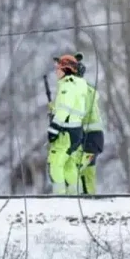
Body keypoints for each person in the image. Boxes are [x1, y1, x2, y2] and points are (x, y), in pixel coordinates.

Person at [47, 54, 90, 195]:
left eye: (58, 68)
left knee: (56, 164)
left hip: (66, 132)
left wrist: (53, 128)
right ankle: (74, 195)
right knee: (70, 165)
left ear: (66, 69)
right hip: (76, 130)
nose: (56, 71)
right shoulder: (79, 85)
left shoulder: (67, 85)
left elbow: (65, 109)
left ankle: (60, 197)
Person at [73, 52, 103, 195]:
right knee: (88, 172)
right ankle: (91, 201)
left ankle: (81, 200)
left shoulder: (80, 91)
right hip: (95, 138)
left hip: (89, 138)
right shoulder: (88, 89)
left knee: (76, 167)